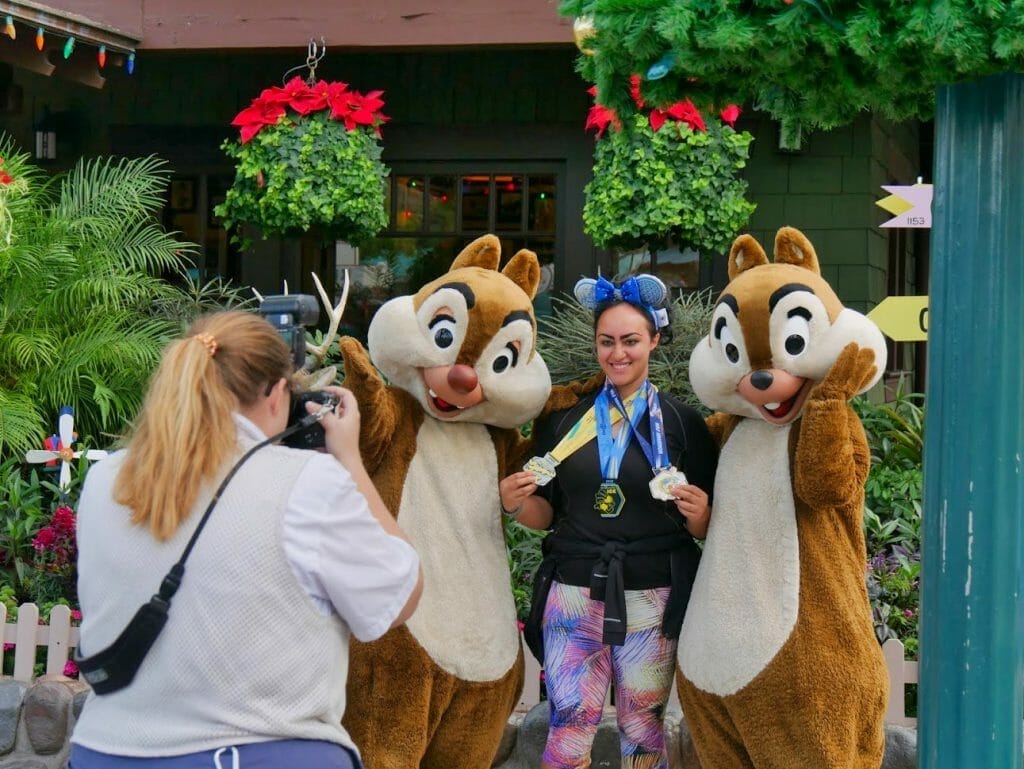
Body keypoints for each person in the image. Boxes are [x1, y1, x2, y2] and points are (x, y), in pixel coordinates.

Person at [69, 310, 423, 769]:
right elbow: (398, 598)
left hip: (105, 752)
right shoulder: (306, 483)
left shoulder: (104, 480)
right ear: (277, 392)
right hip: (256, 753)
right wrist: (349, 461)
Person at [499, 275, 718, 769]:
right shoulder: (562, 423)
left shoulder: (684, 425)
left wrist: (702, 515)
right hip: (573, 590)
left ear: (654, 341)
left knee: (643, 731)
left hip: (653, 592)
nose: (617, 353)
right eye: (607, 341)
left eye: (630, 341)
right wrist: (514, 503)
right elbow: (546, 515)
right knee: (568, 726)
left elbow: (705, 529)